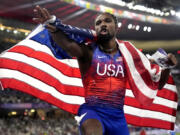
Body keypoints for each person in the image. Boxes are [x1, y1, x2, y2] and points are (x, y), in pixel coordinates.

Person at [33, 5, 177, 135]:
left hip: (118, 118)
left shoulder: (129, 56)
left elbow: (157, 85)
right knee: (93, 130)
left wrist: (167, 67)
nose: (102, 24)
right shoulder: (88, 52)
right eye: (98, 23)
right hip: (92, 111)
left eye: (107, 21)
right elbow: (68, 46)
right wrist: (54, 29)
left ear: (116, 26)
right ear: (95, 29)